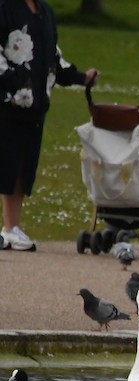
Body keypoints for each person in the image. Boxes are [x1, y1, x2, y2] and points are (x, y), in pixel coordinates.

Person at [1, 0, 98, 251]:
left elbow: (52, 55)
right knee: (5, 162)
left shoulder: (44, 12)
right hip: (7, 101)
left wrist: (81, 78)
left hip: (34, 105)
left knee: (22, 166)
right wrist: (13, 79)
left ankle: (11, 228)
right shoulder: (5, 7)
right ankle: (9, 229)